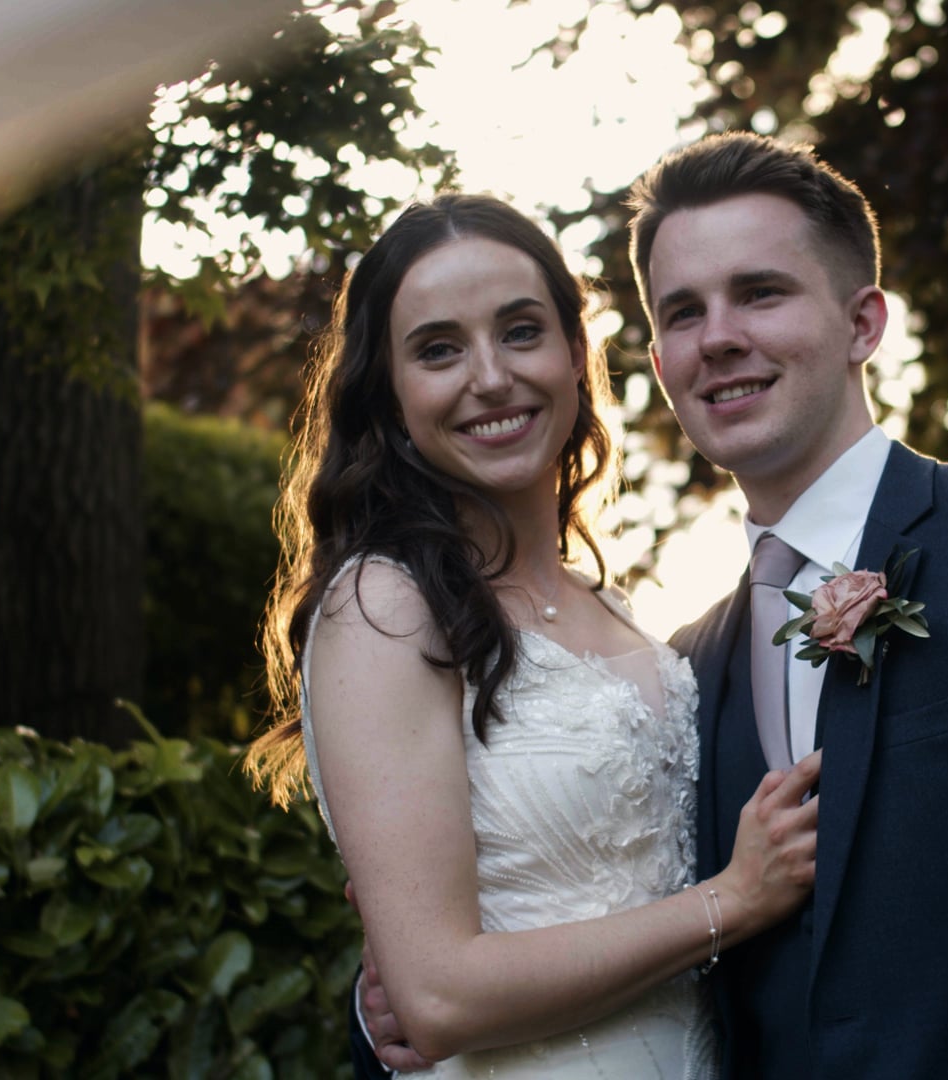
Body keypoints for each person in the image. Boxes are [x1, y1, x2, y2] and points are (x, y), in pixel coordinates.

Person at [360, 134, 948, 1078]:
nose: (718, 337)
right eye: (684, 312)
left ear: (863, 323)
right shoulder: (683, 669)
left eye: (760, 293)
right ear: (660, 364)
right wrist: (390, 1005)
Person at [244, 192, 823, 1079]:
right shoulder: (385, 607)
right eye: (438, 349)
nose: (490, 377)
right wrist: (733, 902)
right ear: (389, 394)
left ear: (574, 353)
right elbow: (438, 997)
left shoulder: (617, 611)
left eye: (520, 332)